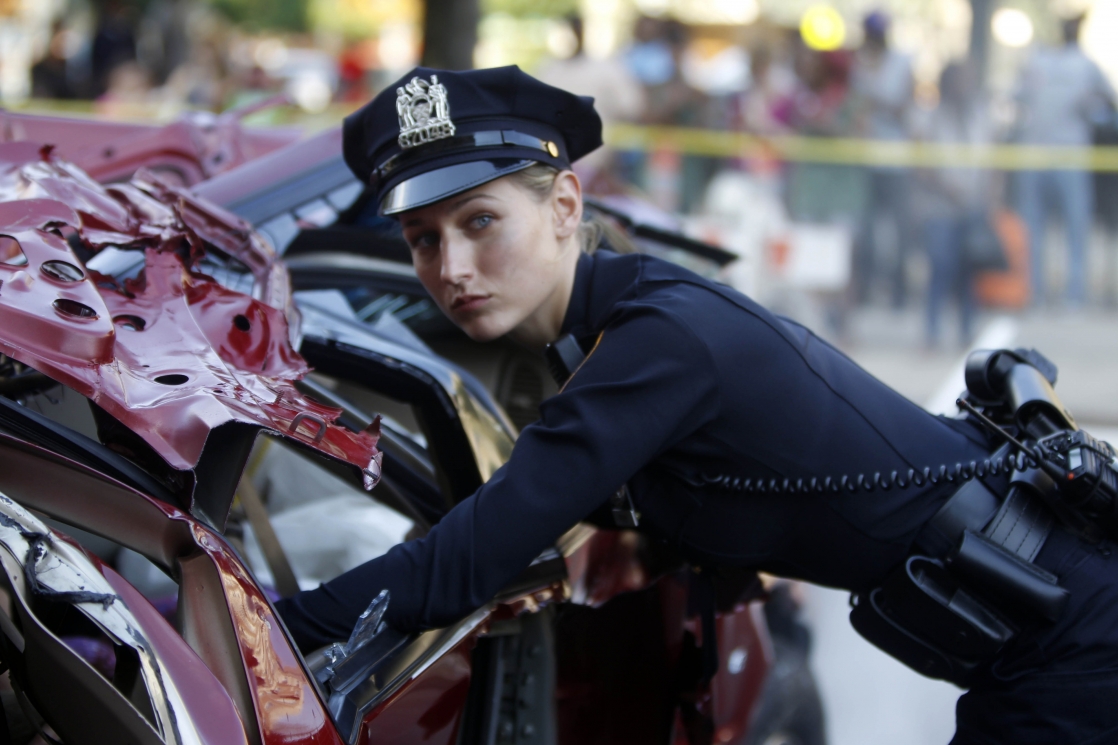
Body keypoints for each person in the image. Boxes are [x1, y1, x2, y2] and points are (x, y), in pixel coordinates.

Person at [276, 66, 1118, 744]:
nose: (451, 263)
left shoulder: (655, 344)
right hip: (1039, 626)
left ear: (566, 206)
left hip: (1072, 640)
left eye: (481, 220)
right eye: (423, 239)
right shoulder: (622, 321)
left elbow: (463, 560)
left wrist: (257, 622)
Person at [1013, 14, 1117, 308]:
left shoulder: (1085, 64)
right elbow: (1017, 98)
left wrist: (1092, 107)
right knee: (1036, 229)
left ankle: (1074, 293)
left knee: (1075, 227)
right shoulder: (1037, 61)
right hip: (1037, 156)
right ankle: (1035, 292)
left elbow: (1108, 103)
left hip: (1070, 156)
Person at [916, 61, 994, 348]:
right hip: (941, 207)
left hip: (972, 205)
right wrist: (948, 189)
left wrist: (989, 195)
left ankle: (966, 331)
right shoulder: (931, 117)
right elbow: (923, 164)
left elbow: (993, 156)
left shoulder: (979, 115)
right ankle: (932, 331)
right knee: (940, 267)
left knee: (968, 272)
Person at [850, 10, 915, 307]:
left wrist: (876, 102)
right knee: (865, 232)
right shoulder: (857, 63)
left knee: (900, 233)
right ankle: (864, 290)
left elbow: (904, 107)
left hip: (896, 160)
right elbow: (853, 108)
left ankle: (899, 292)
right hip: (865, 159)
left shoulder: (902, 63)